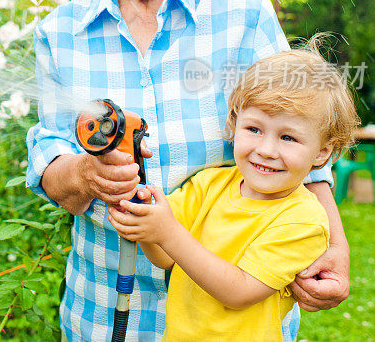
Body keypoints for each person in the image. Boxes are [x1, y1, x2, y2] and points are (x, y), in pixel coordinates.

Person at [25, 0, 350, 341]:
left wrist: (335, 243)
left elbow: (305, 133)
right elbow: (50, 154)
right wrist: (89, 174)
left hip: (235, 320)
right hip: (105, 309)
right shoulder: (59, 32)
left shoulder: (244, 14)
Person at [108, 47, 359, 340]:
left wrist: (166, 232)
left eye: (288, 137)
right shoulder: (209, 185)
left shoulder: (305, 221)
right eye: (254, 129)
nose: (265, 150)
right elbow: (164, 256)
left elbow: (238, 291)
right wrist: (145, 219)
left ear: (323, 152)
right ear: (234, 124)